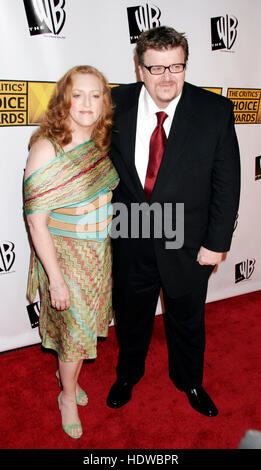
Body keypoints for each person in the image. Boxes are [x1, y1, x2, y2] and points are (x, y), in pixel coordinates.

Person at [107, 26, 240, 417]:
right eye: (157, 68)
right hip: (131, 232)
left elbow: (227, 181)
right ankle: (128, 374)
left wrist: (217, 242)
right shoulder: (114, 103)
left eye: (176, 66)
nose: (168, 77)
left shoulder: (214, 110)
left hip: (188, 239)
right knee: (131, 316)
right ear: (140, 69)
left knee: (187, 317)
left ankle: (190, 381)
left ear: (185, 64)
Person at [24, 65, 119, 438]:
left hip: (98, 256)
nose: (87, 103)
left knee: (81, 337)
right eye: (78, 94)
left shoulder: (96, 144)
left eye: (96, 95)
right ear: (64, 98)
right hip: (66, 260)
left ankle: (70, 378)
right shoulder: (46, 148)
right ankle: (66, 396)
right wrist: (57, 281)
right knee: (75, 338)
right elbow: (36, 223)